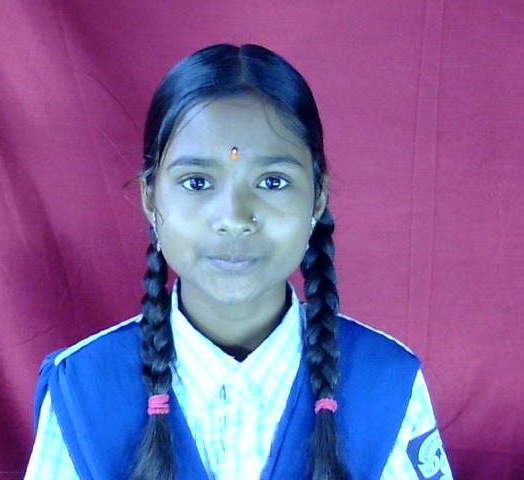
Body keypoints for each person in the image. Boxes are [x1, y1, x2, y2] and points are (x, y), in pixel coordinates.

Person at [24, 44, 453, 480]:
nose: (234, 218)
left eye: (272, 182)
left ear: (318, 196)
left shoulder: (385, 383)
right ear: (151, 200)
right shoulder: (84, 388)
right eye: (197, 182)